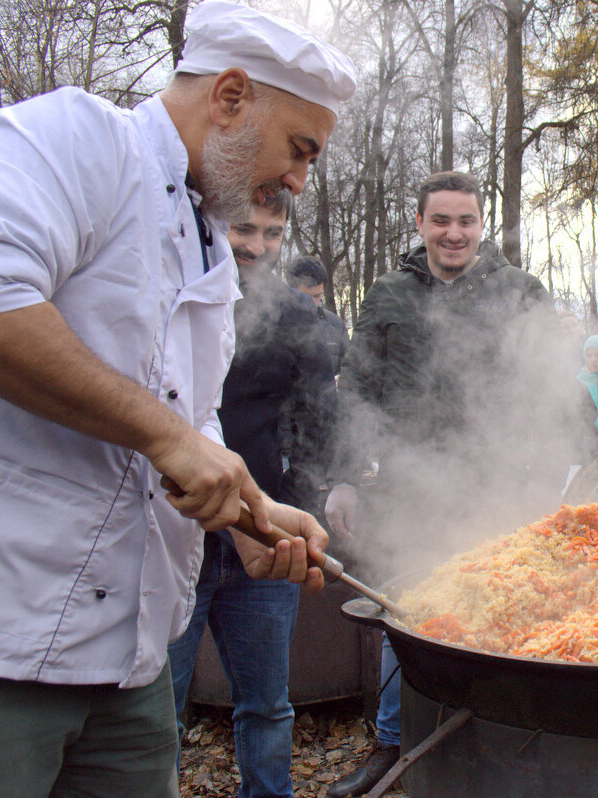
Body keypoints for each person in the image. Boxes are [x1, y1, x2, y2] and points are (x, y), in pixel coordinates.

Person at [0, 2, 354, 795]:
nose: (296, 181)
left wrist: (253, 516)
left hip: (133, 655)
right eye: (299, 149)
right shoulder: (79, 139)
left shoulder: (208, 237)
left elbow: (188, 414)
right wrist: (169, 436)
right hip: (1, 639)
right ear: (228, 97)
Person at [323, 171, 568, 798]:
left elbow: (550, 386)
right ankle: (389, 742)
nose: (453, 233)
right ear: (420, 225)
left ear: (481, 225)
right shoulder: (388, 294)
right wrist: (345, 476)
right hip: (412, 483)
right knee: (406, 606)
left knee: (509, 604)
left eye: (465, 221)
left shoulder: (521, 291)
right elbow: (356, 389)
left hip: (502, 483)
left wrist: (558, 472)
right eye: (441, 221)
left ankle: (507, 742)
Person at [167, 192, 336, 798]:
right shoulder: (173, 295)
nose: (256, 246)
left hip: (265, 535)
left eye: (272, 232)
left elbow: (320, 416)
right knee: (159, 707)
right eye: (244, 228)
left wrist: (300, 503)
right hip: (173, 531)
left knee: (267, 703)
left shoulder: (297, 315)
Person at [287, 255, 350, 374]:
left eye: (317, 296)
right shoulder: (272, 324)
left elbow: (349, 370)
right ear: (289, 290)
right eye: (304, 296)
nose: (310, 303)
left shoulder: (336, 326)